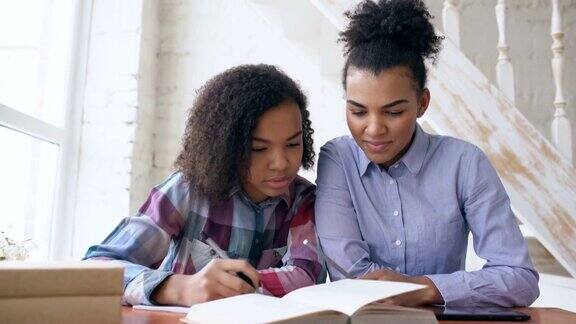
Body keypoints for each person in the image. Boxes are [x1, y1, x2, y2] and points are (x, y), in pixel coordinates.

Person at [315, 0, 539, 307]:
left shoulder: (465, 163)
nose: (374, 129)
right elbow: (351, 279)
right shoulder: (337, 159)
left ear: (422, 103)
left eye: (393, 112)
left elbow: (519, 277)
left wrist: (424, 288)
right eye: (358, 111)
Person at [84, 64, 325, 306]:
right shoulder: (187, 190)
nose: (281, 163)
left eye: (293, 144)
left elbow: (306, 275)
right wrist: (179, 287)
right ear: (227, 145)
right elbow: (96, 269)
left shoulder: (304, 200)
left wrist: (230, 285)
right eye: (258, 149)